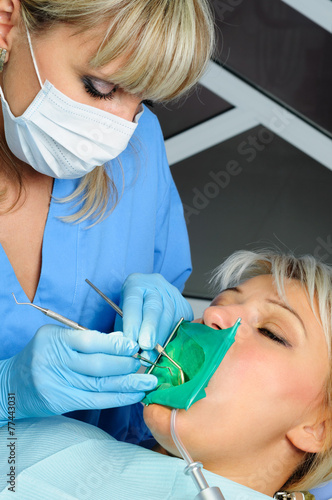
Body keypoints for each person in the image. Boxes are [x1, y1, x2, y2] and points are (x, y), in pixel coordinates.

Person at [0, 0, 215, 441]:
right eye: (99, 87)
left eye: (143, 98)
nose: (118, 131)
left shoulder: (140, 144)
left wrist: (174, 334)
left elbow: (159, 387)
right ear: (8, 23)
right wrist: (8, 390)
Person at [0, 249, 331, 499]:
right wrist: (7, 392)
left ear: (318, 427)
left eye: (270, 332)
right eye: (220, 302)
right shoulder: (46, 441)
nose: (214, 314)